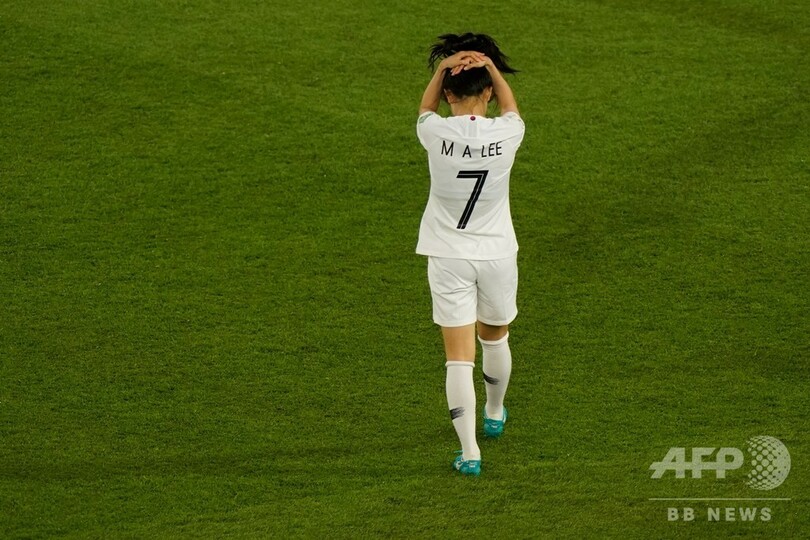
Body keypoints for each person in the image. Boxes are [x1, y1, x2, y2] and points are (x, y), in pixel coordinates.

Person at [416, 33, 525, 476]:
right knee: (495, 336)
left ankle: (470, 453)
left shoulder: (434, 131)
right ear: (486, 94)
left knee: (458, 357)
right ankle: (495, 412)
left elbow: (424, 110)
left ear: (448, 95)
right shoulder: (508, 132)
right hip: (498, 252)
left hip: (448, 254)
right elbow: (511, 106)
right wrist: (493, 69)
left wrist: (444, 67)